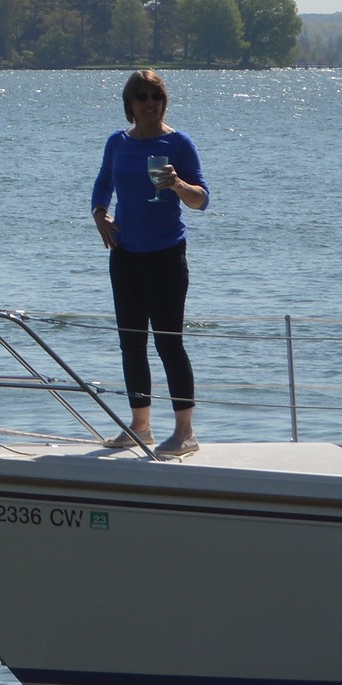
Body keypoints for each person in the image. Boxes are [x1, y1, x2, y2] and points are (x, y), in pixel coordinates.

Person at [91, 69, 209, 456]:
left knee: (169, 343)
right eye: (141, 97)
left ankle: (185, 433)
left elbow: (201, 200)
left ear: (163, 101)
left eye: (155, 96)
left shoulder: (178, 143)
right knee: (131, 343)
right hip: (125, 254)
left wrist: (176, 184)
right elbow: (103, 183)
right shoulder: (118, 142)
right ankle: (141, 426)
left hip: (165, 255)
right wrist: (99, 214)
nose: (149, 103)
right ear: (130, 104)